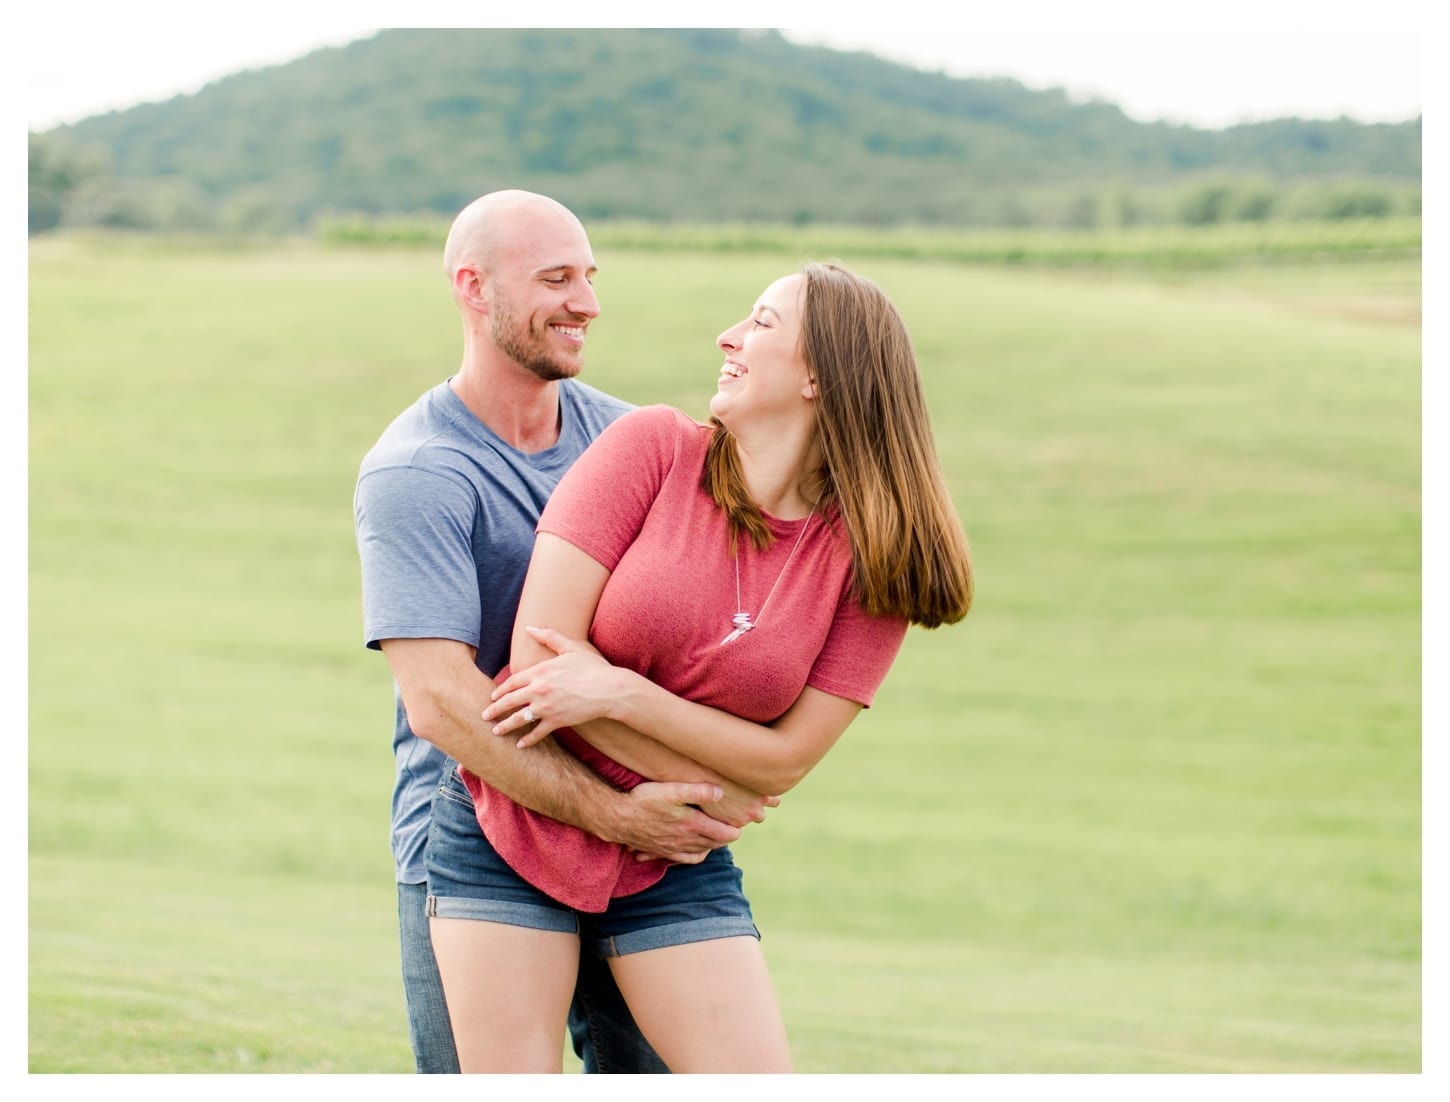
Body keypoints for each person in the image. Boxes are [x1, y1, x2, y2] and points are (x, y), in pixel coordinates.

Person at [426, 261, 974, 1072]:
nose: (728, 335)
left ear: (821, 374)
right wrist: (727, 770)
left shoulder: (875, 559)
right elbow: (540, 669)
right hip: (517, 817)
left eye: (760, 322)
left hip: (674, 856)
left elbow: (785, 763)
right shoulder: (652, 448)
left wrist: (616, 692)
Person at [353, 189, 776, 1073]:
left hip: (645, 858)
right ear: (473, 287)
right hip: (474, 843)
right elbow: (441, 703)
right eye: (556, 278)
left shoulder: (634, 441)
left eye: (589, 276)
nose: (586, 302)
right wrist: (619, 814)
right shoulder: (420, 472)